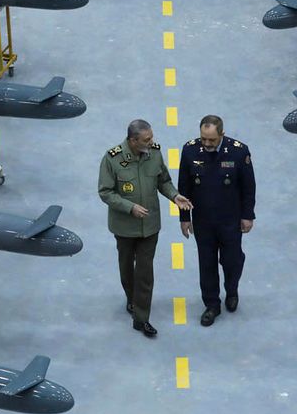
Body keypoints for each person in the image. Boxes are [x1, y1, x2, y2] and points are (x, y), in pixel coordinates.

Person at [99, 119, 193, 337]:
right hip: (124, 227)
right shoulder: (112, 159)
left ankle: (141, 318)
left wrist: (174, 196)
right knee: (126, 268)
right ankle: (132, 299)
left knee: (144, 272)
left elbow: (164, 181)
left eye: (151, 137)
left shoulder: (155, 154)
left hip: (149, 226)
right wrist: (130, 207)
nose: (152, 142)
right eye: (147, 139)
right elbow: (105, 192)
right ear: (133, 141)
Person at [177, 115, 255, 326]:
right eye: (204, 139)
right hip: (203, 221)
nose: (207, 144)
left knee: (232, 260)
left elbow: (248, 187)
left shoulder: (239, 151)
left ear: (222, 134)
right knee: (207, 264)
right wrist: (184, 218)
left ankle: (232, 290)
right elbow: (184, 188)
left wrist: (248, 216)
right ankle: (212, 304)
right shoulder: (190, 150)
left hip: (230, 220)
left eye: (211, 140)